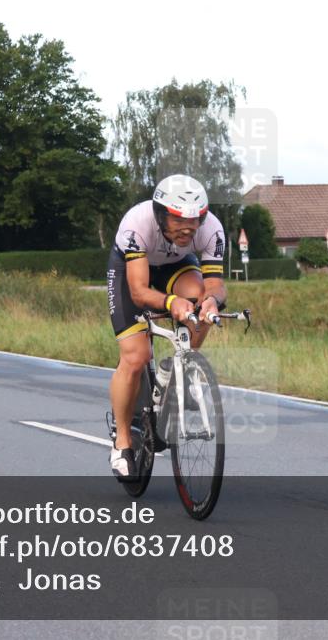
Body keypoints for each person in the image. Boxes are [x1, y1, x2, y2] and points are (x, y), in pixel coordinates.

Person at [106, 175, 227, 480]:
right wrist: (171, 302)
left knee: (200, 303)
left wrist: (212, 300)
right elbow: (139, 292)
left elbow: (214, 282)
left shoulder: (212, 229)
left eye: (194, 220)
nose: (187, 228)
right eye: (178, 220)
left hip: (176, 266)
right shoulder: (137, 224)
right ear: (160, 214)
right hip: (131, 272)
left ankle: (175, 369)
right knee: (135, 357)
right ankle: (121, 441)